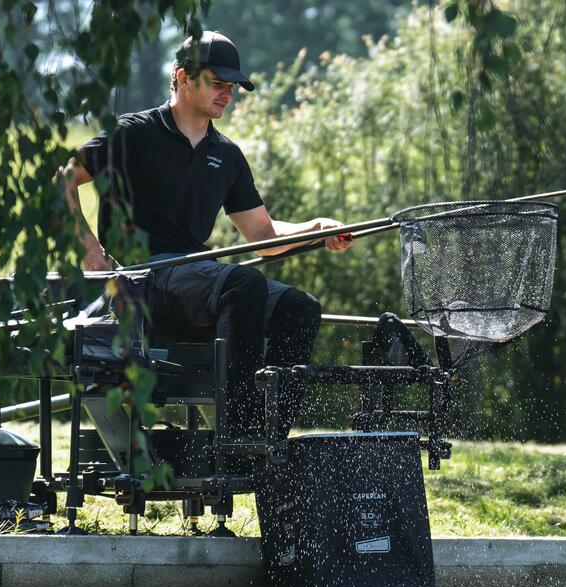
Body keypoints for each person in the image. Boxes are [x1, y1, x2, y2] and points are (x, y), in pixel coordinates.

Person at [59, 31, 351, 441]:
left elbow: (263, 236)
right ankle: (238, 437)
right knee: (242, 284)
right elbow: (61, 182)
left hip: (193, 278)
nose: (227, 94)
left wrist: (317, 229)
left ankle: (269, 441)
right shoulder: (131, 133)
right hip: (143, 281)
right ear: (182, 77)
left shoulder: (226, 155)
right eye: (218, 83)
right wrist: (92, 254)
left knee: (299, 309)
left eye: (231, 87)